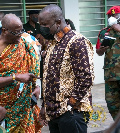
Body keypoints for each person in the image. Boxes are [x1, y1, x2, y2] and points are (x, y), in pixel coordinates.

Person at [0, 13, 43, 132]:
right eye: (15, 33)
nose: (19, 36)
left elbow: (33, 67)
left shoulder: (24, 43)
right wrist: (15, 77)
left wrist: (36, 87)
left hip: (25, 104)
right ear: (4, 31)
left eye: (21, 31)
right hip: (5, 107)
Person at [38, 4, 94, 133]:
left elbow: (86, 78)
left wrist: (70, 105)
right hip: (53, 112)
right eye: (40, 25)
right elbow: (49, 78)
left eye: (45, 25)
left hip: (72, 112)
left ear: (58, 22)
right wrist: (45, 106)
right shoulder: (52, 43)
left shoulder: (77, 42)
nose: (42, 29)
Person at [96, 6, 120, 120]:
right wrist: (102, 49)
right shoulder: (104, 32)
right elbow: (98, 52)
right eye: (110, 16)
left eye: (114, 16)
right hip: (110, 75)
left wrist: (118, 28)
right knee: (112, 104)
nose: (112, 18)